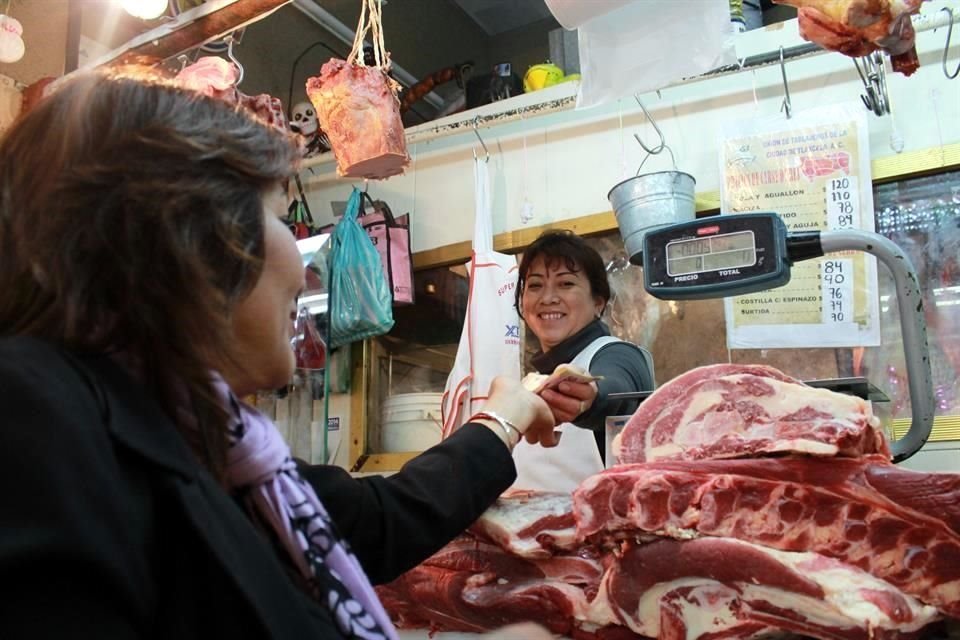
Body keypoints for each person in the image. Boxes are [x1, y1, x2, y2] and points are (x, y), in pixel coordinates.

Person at [0, 68, 559, 640]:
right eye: (275, 220)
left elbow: (376, 521)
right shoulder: (31, 411)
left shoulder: (217, 447)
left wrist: (502, 421)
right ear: (190, 236)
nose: (304, 266)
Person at [512, 230, 655, 492]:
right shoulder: (532, 377)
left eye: (565, 284)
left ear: (598, 303)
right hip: (532, 528)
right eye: (535, 285)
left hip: (591, 528)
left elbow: (615, 387)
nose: (547, 298)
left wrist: (588, 399)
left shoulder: (617, 355)